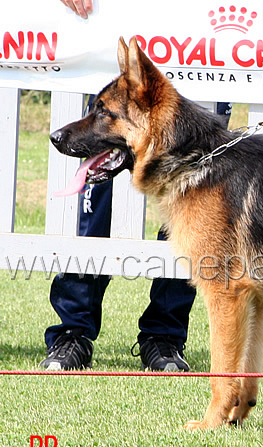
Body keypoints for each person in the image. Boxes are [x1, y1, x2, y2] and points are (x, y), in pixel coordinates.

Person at [44, 1, 231, 371]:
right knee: (98, 179)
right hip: (109, 19)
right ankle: (74, 331)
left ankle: (165, 336)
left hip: (207, 38)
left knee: (190, 204)